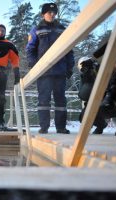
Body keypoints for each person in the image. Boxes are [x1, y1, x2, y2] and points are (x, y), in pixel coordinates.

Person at [25, 3, 74, 134]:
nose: (52, 14)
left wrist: (69, 67)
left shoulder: (62, 29)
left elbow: (69, 50)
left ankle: (61, 127)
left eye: (54, 12)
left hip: (60, 71)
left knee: (61, 100)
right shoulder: (36, 29)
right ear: (43, 14)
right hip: (43, 72)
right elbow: (30, 50)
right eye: (49, 12)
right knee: (43, 100)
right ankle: (44, 127)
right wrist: (33, 64)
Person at [77, 56, 116, 135]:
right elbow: (83, 96)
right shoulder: (86, 77)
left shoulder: (110, 72)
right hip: (99, 104)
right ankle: (101, 126)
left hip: (113, 103)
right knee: (84, 116)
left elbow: (114, 86)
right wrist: (87, 81)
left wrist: (100, 72)